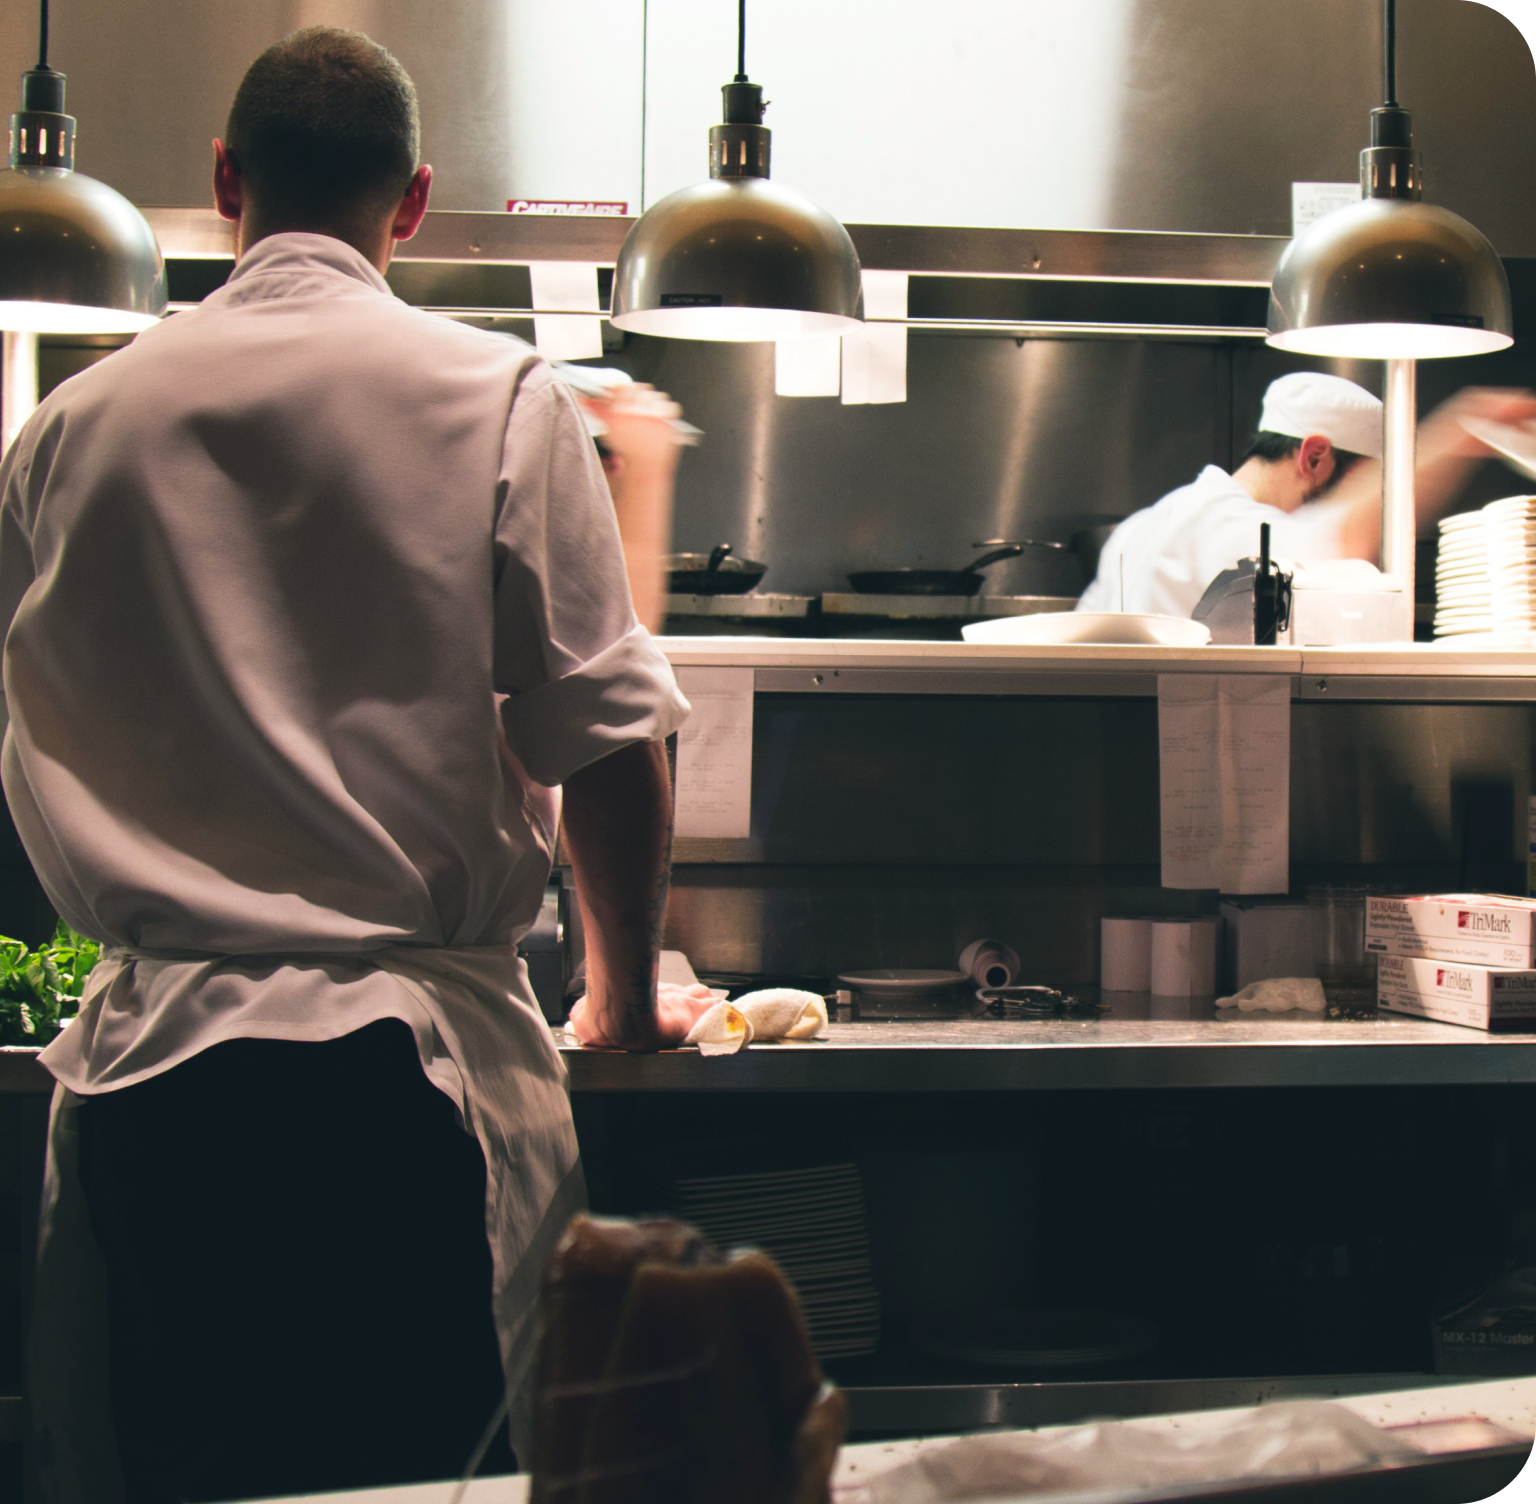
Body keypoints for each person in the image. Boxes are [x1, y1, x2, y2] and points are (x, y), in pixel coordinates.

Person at [1, 26, 713, 1503]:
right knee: (414, 1485)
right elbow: (608, 740)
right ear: (412, 202)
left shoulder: (65, 430)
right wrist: (624, 998)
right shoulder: (502, 399)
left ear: (222, 180)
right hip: (402, 1102)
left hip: (157, 1093)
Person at [1078, 372, 1536, 619]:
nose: (1371, 499)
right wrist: (1469, 424)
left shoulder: (1141, 526)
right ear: (1314, 457)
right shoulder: (1227, 527)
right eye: (1366, 482)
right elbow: (1341, 536)